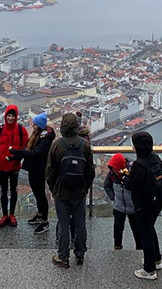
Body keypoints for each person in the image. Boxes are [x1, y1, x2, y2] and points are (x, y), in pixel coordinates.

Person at [46, 113, 94, 268]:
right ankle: (80, 253)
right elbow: (90, 171)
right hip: (79, 191)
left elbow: (50, 171)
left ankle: (63, 256)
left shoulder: (56, 145)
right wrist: (85, 187)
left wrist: (53, 188)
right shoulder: (84, 144)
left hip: (61, 191)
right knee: (80, 223)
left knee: (64, 223)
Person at [123, 131, 162, 281]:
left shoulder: (139, 165)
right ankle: (156, 259)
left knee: (145, 234)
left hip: (143, 203)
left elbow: (132, 185)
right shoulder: (156, 158)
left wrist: (125, 178)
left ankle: (149, 269)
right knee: (150, 230)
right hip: (156, 201)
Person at [8, 112, 55, 234]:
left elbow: (37, 154)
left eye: (34, 124)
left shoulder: (45, 138)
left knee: (40, 194)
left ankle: (45, 221)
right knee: (36, 192)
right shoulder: (37, 134)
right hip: (33, 168)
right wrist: (16, 154)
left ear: (39, 126)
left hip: (39, 169)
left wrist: (19, 153)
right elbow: (27, 149)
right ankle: (40, 215)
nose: (32, 126)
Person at [0, 105, 28, 228]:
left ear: (16, 117)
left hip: (14, 165)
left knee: (13, 190)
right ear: (5, 116)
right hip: (2, 164)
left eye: (13, 116)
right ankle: (4, 215)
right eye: (9, 115)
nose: (10, 118)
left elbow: (25, 147)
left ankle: (11, 214)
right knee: (3, 191)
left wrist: (17, 157)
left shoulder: (21, 130)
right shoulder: (0, 129)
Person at [103, 153, 141, 250]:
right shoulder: (112, 172)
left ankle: (140, 248)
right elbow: (107, 185)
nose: (113, 171)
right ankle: (117, 246)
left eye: (115, 169)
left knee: (136, 229)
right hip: (119, 205)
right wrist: (113, 198)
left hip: (132, 206)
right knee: (118, 228)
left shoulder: (132, 170)